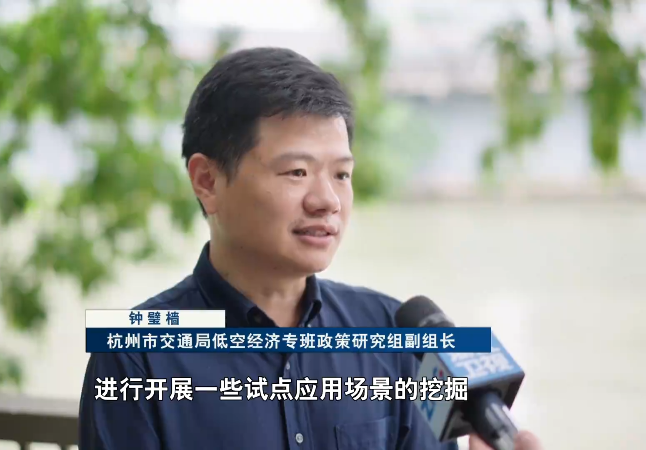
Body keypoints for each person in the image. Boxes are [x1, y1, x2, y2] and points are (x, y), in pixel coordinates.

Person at [78, 47, 543, 450]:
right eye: (297, 172)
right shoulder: (135, 356)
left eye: (341, 174)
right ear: (208, 181)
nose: (327, 200)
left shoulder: (396, 336)